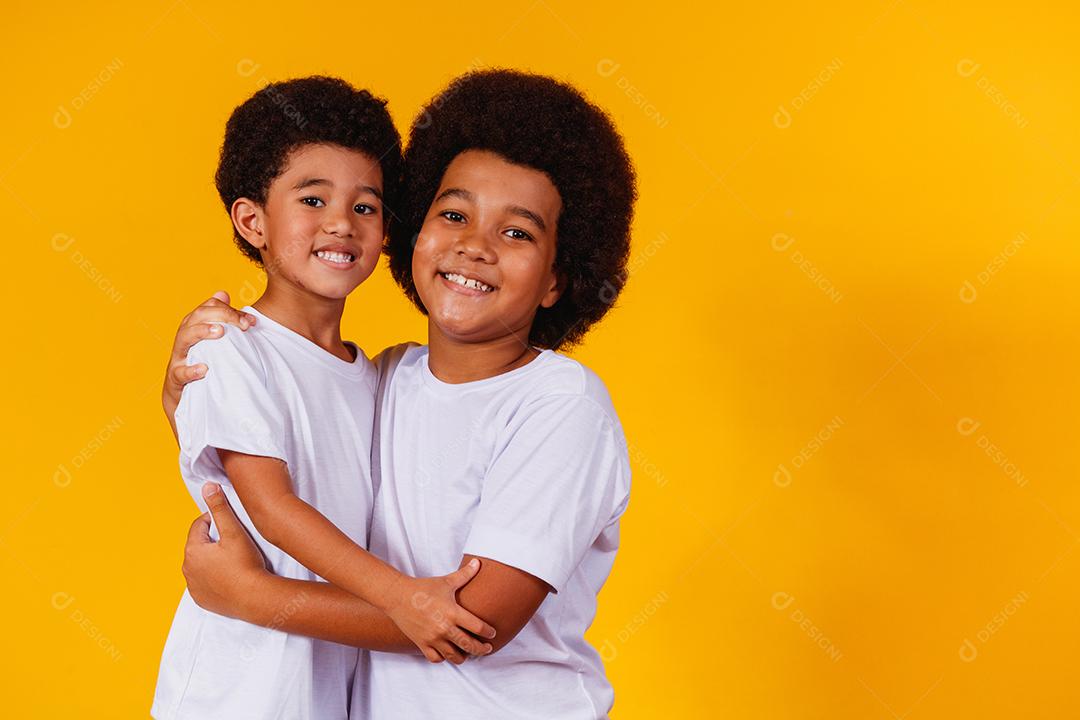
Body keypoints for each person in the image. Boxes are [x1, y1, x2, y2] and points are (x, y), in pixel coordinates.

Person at [163, 69, 637, 718]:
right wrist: (180, 391)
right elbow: (270, 449)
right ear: (413, 232)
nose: (474, 246)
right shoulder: (387, 378)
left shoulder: (560, 406)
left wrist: (250, 596)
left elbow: (472, 623)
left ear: (557, 278)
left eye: (517, 232)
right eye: (453, 214)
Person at [152, 76, 494, 720]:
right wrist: (406, 598)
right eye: (313, 199)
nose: (341, 222)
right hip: (242, 685)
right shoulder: (228, 349)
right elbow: (271, 507)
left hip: (330, 676)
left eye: (366, 207)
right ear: (252, 220)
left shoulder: (378, 376)